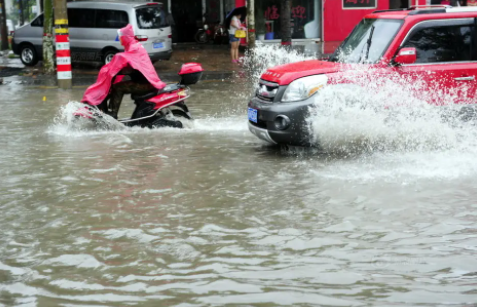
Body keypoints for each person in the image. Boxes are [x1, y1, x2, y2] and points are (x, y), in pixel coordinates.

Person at [82, 24, 167, 119]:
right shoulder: (133, 46)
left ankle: (113, 113)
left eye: (121, 37)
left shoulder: (134, 48)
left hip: (146, 84)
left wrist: (116, 68)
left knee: (118, 87)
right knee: (118, 85)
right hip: (143, 81)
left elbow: (126, 59)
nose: (120, 39)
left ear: (126, 37)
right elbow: (131, 64)